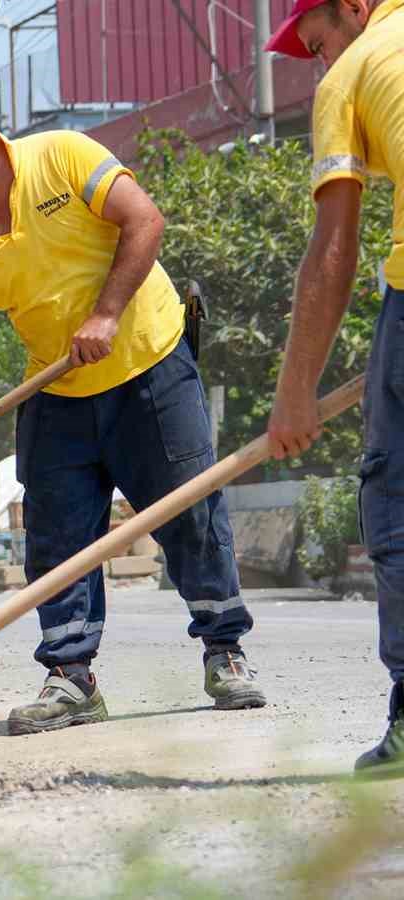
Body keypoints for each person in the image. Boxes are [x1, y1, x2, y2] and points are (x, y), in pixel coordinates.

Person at [0, 92, 264, 735]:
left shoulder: (62, 155)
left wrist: (107, 313)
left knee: (190, 516)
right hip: (56, 387)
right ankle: (71, 677)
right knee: (57, 536)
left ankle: (224, 650)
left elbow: (145, 220)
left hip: (149, 365)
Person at [263, 0, 404, 776]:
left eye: (318, 43)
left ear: (353, 7)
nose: (320, 63)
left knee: (398, 504)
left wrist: (295, 393)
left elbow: (334, 245)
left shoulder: (352, 74)